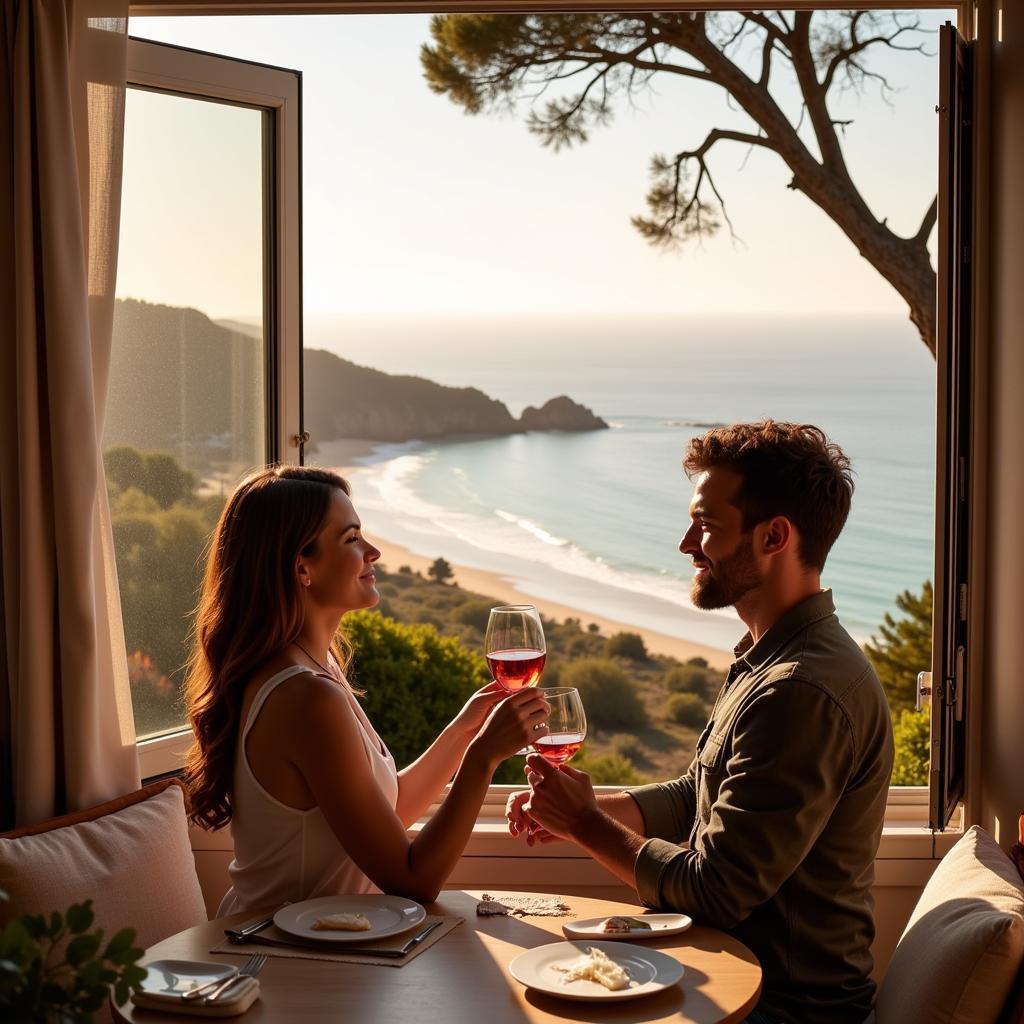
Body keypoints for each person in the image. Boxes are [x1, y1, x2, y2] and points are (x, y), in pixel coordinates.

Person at [507, 421, 894, 1024]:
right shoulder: (769, 659)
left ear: (774, 536)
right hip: (735, 983)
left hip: (781, 1009)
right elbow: (700, 795)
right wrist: (582, 810)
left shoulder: (801, 691)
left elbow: (717, 890)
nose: (687, 543)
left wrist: (584, 823)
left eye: (707, 525)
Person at [183, 465, 548, 914]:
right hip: (282, 959)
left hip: (326, 945)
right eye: (352, 538)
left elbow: (385, 815)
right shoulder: (305, 698)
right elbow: (413, 881)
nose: (372, 551)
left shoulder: (315, 669)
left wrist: (465, 730)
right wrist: (483, 758)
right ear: (302, 567)